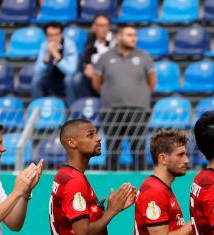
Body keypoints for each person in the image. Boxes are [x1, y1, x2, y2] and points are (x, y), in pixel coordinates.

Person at [92, 25, 156, 170]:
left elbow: (152, 82)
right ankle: (110, 186)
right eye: (129, 35)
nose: (133, 38)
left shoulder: (144, 56)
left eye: (135, 35)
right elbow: (96, 83)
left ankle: (141, 186)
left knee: (138, 150)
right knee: (113, 150)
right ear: (119, 37)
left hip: (138, 111)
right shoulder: (105, 57)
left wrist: (140, 96)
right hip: (111, 111)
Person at [32, 22, 80, 107]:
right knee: (36, 79)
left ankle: (72, 111)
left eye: (56, 35)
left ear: (61, 34)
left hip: (65, 78)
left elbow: (71, 70)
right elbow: (37, 71)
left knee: (70, 79)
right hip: (51, 78)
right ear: (46, 36)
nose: (53, 38)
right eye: (50, 35)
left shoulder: (70, 45)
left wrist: (56, 55)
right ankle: (36, 109)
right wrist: (47, 55)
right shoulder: (44, 45)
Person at [75, 14, 114, 99]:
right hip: (92, 75)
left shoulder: (115, 42)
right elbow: (85, 59)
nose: (103, 28)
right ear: (94, 27)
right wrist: (87, 66)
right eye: (100, 25)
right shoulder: (90, 41)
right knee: (76, 79)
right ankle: (85, 105)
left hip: (110, 74)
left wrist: (99, 73)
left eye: (106, 25)